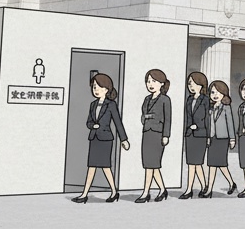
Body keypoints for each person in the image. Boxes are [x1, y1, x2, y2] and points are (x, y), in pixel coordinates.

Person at [72, 72, 130, 203]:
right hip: (94, 138)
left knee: (105, 167)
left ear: (106, 89)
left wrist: (124, 139)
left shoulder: (111, 104)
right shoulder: (93, 104)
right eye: (94, 87)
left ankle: (114, 192)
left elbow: (117, 122)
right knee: (91, 166)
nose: (96, 90)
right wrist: (93, 126)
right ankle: (84, 194)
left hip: (105, 139)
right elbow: (88, 122)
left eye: (99, 87)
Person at [136, 69, 172, 203]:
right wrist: (145, 118)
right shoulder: (147, 99)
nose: (150, 84)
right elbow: (142, 114)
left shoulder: (165, 99)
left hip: (158, 133)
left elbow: (168, 118)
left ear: (162, 83)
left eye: (154, 81)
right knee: (150, 164)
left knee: (152, 164)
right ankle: (162, 190)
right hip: (147, 132)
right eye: (148, 81)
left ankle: (146, 193)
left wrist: (166, 135)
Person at [202, 80, 237, 198]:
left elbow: (230, 123)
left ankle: (231, 183)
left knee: (222, 164)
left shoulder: (226, 107)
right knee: (211, 164)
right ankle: (209, 190)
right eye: (213, 92)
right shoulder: (210, 108)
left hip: (223, 138)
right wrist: (208, 137)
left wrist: (232, 139)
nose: (215, 95)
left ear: (224, 94)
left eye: (218, 92)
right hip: (212, 138)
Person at [180, 71, 209, 199]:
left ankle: (200, 187)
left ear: (201, 85)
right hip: (189, 134)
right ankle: (192, 189)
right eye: (189, 84)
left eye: (194, 83)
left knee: (197, 163)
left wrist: (200, 127)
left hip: (201, 134)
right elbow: (187, 116)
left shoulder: (205, 100)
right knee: (191, 163)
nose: (191, 86)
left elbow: (207, 118)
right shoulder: (189, 99)